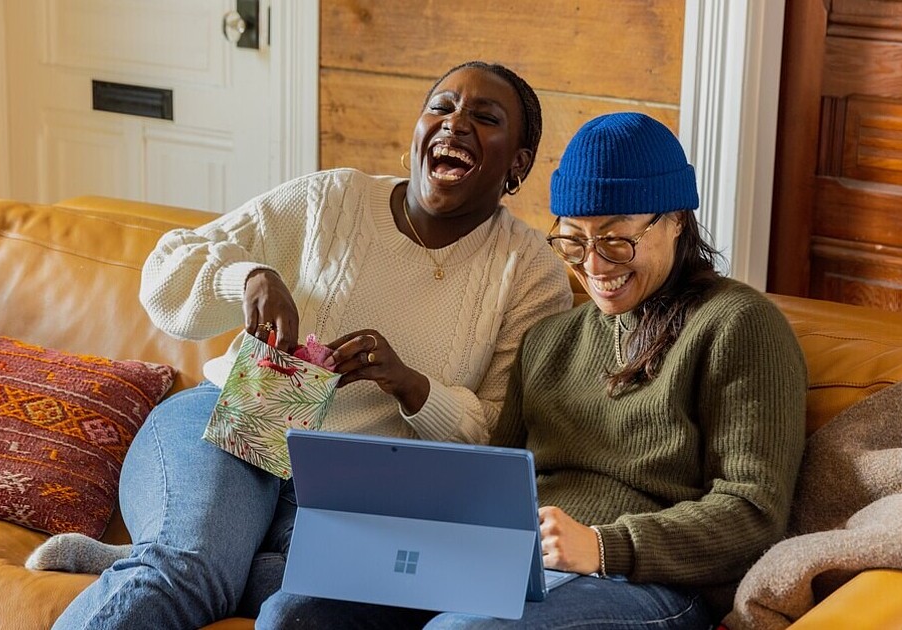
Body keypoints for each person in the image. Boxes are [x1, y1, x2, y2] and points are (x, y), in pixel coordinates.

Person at [28, 61, 573, 629]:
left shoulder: (529, 270)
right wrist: (248, 278)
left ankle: (187, 552)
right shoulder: (332, 200)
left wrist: (413, 388)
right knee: (185, 571)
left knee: (299, 601)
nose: (455, 124)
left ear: (518, 162)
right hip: (235, 421)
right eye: (441, 107)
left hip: (356, 490)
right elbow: (166, 270)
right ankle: (184, 554)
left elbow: (502, 433)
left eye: (484, 118)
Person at [256, 113, 808, 629]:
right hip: (512, 560)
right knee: (294, 611)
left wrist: (604, 545)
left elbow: (753, 511)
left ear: (676, 222)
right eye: (574, 240)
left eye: (616, 241)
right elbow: (495, 477)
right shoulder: (549, 340)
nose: (593, 268)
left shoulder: (739, 324)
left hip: (648, 578)